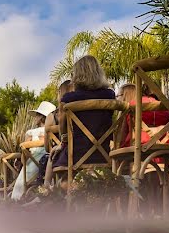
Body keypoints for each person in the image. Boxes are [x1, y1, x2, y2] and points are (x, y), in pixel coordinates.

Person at [43, 56, 116, 186]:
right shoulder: (109, 95)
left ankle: (48, 194)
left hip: (75, 155)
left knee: (54, 156)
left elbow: (63, 131)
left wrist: (62, 143)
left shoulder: (68, 99)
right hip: (103, 154)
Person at [11, 97, 59, 200]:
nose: (35, 117)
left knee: (19, 187)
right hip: (50, 163)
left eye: (37, 115)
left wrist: (20, 160)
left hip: (32, 164)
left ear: (42, 117)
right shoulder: (54, 130)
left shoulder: (31, 133)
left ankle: (17, 201)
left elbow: (25, 155)